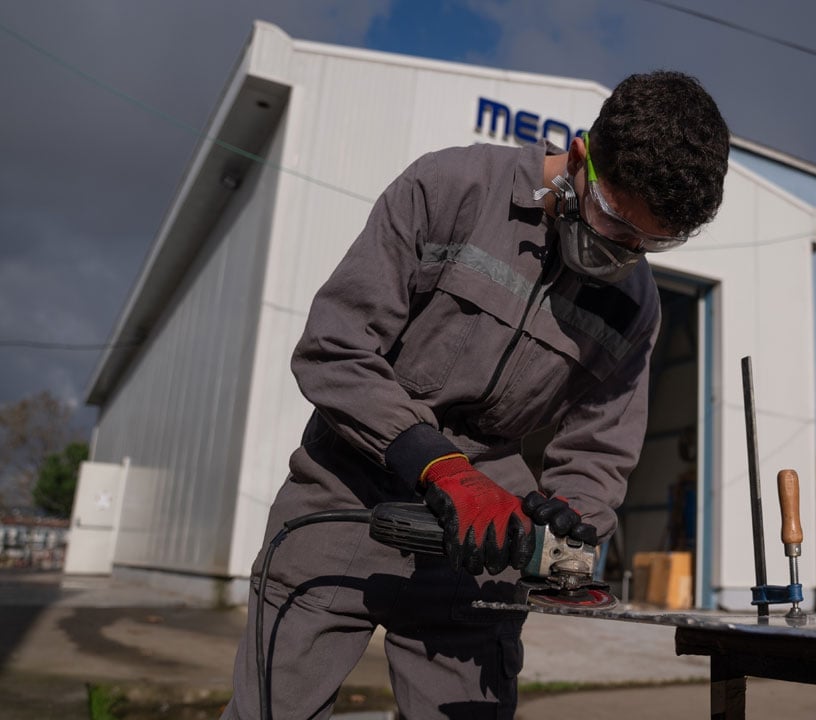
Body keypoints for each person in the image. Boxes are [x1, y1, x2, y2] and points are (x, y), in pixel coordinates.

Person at [221, 70, 730, 719]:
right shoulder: (451, 189)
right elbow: (334, 349)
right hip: (344, 496)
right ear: (580, 157)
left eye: (650, 242)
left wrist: (569, 519)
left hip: (481, 542)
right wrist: (436, 463)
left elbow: (602, 446)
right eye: (612, 220)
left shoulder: (636, 305)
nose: (621, 252)